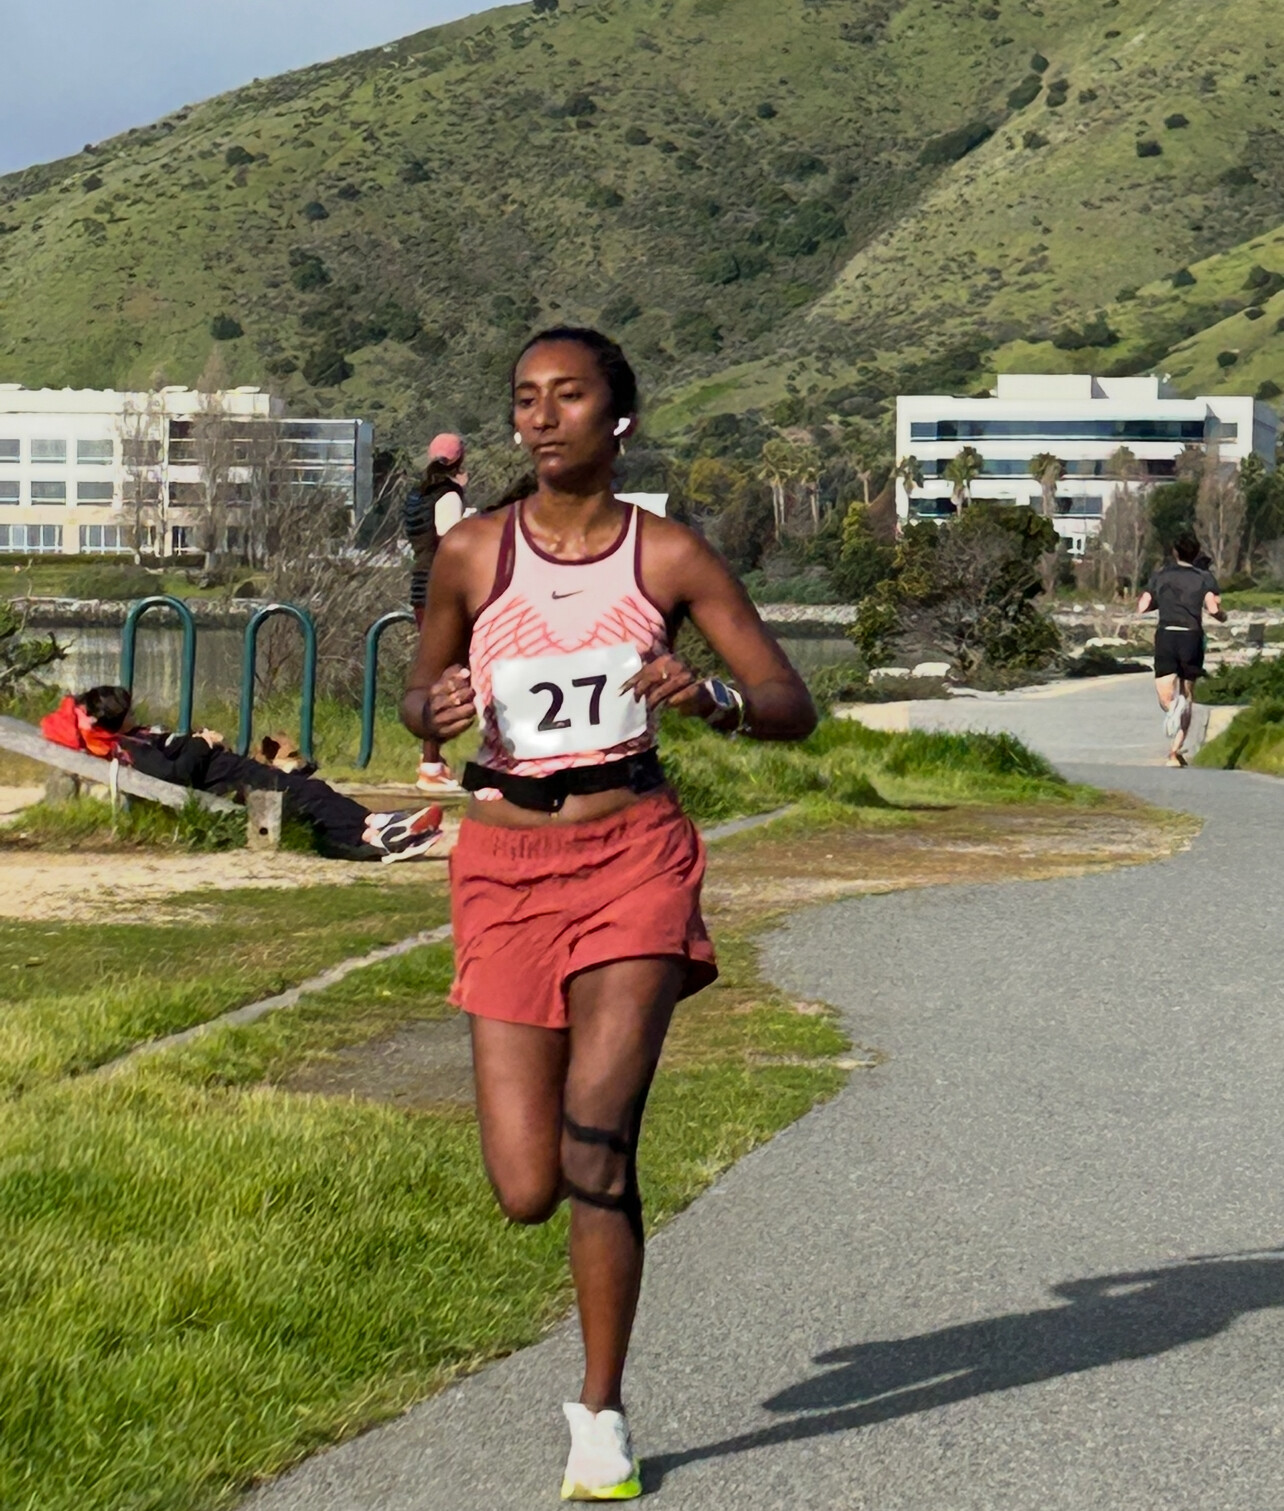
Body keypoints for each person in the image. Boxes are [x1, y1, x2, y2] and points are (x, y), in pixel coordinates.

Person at [402, 326, 816, 1500]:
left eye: (567, 395)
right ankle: (590, 1380)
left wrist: (712, 694)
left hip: (632, 856)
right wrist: (432, 705)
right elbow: (419, 697)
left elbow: (790, 700)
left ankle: (601, 1412)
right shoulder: (472, 552)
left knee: (599, 1137)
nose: (539, 416)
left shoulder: (667, 553)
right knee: (527, 1184)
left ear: (618, 416)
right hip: (502, 864)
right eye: (524, 397)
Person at [40, 686, 441, 862]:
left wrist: (200, 740)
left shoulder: (135, 739)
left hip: (229, 769)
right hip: (228, 782)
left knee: (309, 788)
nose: (136, 712)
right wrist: (202, 743)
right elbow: (176, 774)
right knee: (305, 795)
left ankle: (376, 826)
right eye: (129, 710)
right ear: (118, 719)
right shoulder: (133, 750)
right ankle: (372, 835)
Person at [404, 433, 474, 794]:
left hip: (420, 586)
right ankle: (434, 762)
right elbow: (452, 539)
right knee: (457, 671)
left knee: (433, 670)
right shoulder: (448, 495)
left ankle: (432, 761)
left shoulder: (416, 496)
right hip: (443, 592)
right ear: (459, 461)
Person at [1137, 533, 1227, 767]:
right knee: (1187, 696)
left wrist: (1162, 602)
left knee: (1166, 698)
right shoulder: (1204, 577)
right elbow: (1213, 608)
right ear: (1196, 554)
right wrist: (1222, 616)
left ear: (1175, 552)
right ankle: (1174, 752)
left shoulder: (1160, 575)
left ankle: (1172, 710)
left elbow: (1142, 606)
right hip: (1191, 636)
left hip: (1166, 634)